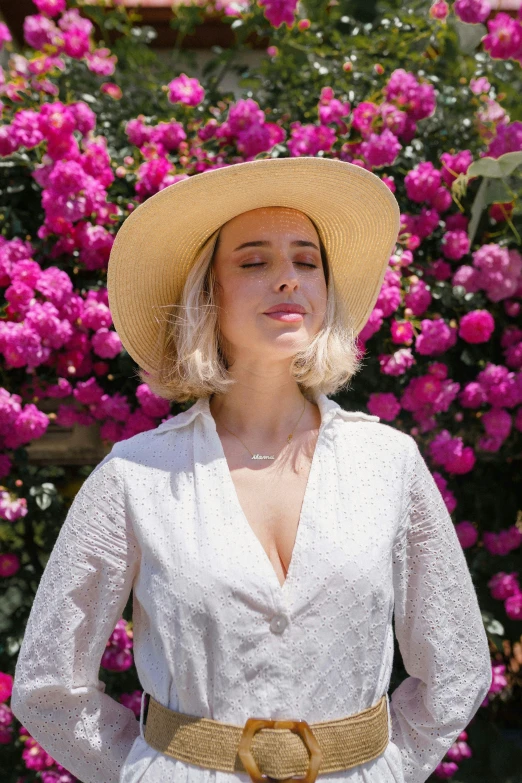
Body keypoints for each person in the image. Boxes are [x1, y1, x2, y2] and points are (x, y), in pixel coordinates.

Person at [11, 157, 492, 783]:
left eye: (306, 260)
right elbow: (49, 687)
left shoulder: (389, 464)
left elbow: (457, 664)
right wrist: (149, 771)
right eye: (254, 260)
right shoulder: (136, 477)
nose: (288, 279)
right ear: (206, 293)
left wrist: (388, 765)